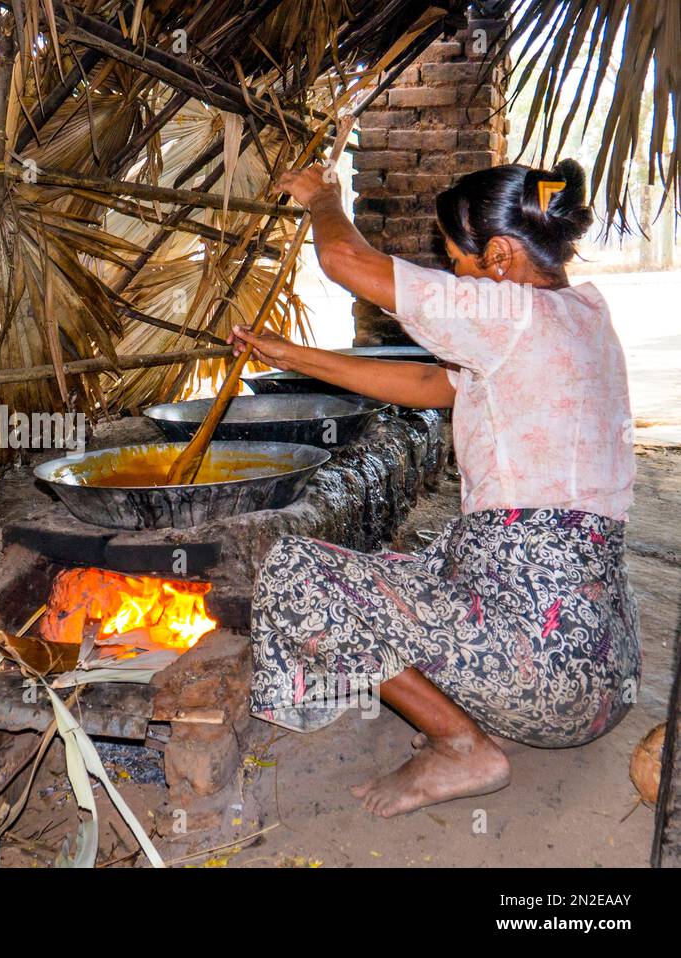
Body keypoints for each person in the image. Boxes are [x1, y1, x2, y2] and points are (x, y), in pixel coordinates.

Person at [230, 159, 639, 817]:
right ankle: (473, 712)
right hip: (603, 677)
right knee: (408, 568)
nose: (453, 277)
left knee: (297, 572)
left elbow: (344, 259)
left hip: (545, 680)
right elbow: (432, 388)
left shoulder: (509, 312)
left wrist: (323, 198)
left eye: (456, 262)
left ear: (501, 256)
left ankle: (461, 746)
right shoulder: (581, 314)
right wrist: (293, 356)